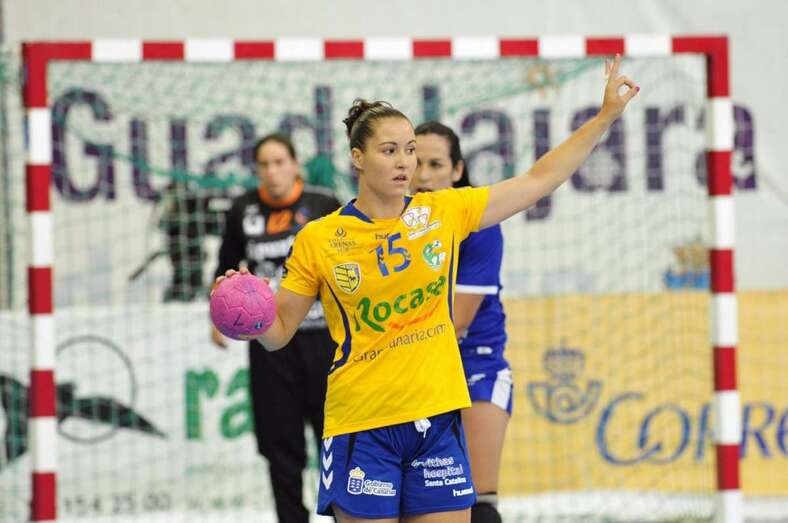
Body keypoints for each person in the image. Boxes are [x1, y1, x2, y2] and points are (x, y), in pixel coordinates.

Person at [216, 56, 637, 522]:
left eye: (410, 150)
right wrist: (245, 312)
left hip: (437, 422)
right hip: (362, 425)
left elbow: (538, 181)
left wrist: (604, 118)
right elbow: (278, 332)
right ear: (358, 158)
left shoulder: (442, 213)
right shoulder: (320, 238)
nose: (404, 163)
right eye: (389, 150)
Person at [211, 133, 341, 523]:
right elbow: (225, 267)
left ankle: (344, 516)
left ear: (296, 164)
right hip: (271, 347)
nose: (273, 171)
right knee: (280, 444)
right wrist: (217, 317)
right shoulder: (242, 210)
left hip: (324, 342)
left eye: (280, 162)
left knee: (333, 441)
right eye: (264, 164)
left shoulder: (324, 205)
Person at [410, 121, 508, 523]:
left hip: (472, 362)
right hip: (412, 366)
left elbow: (455, 322)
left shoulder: (478, 224)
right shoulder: (393, 223)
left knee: (478, 505)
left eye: (436, 164)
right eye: (417, 162)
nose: (425, 175)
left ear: (457, 170)